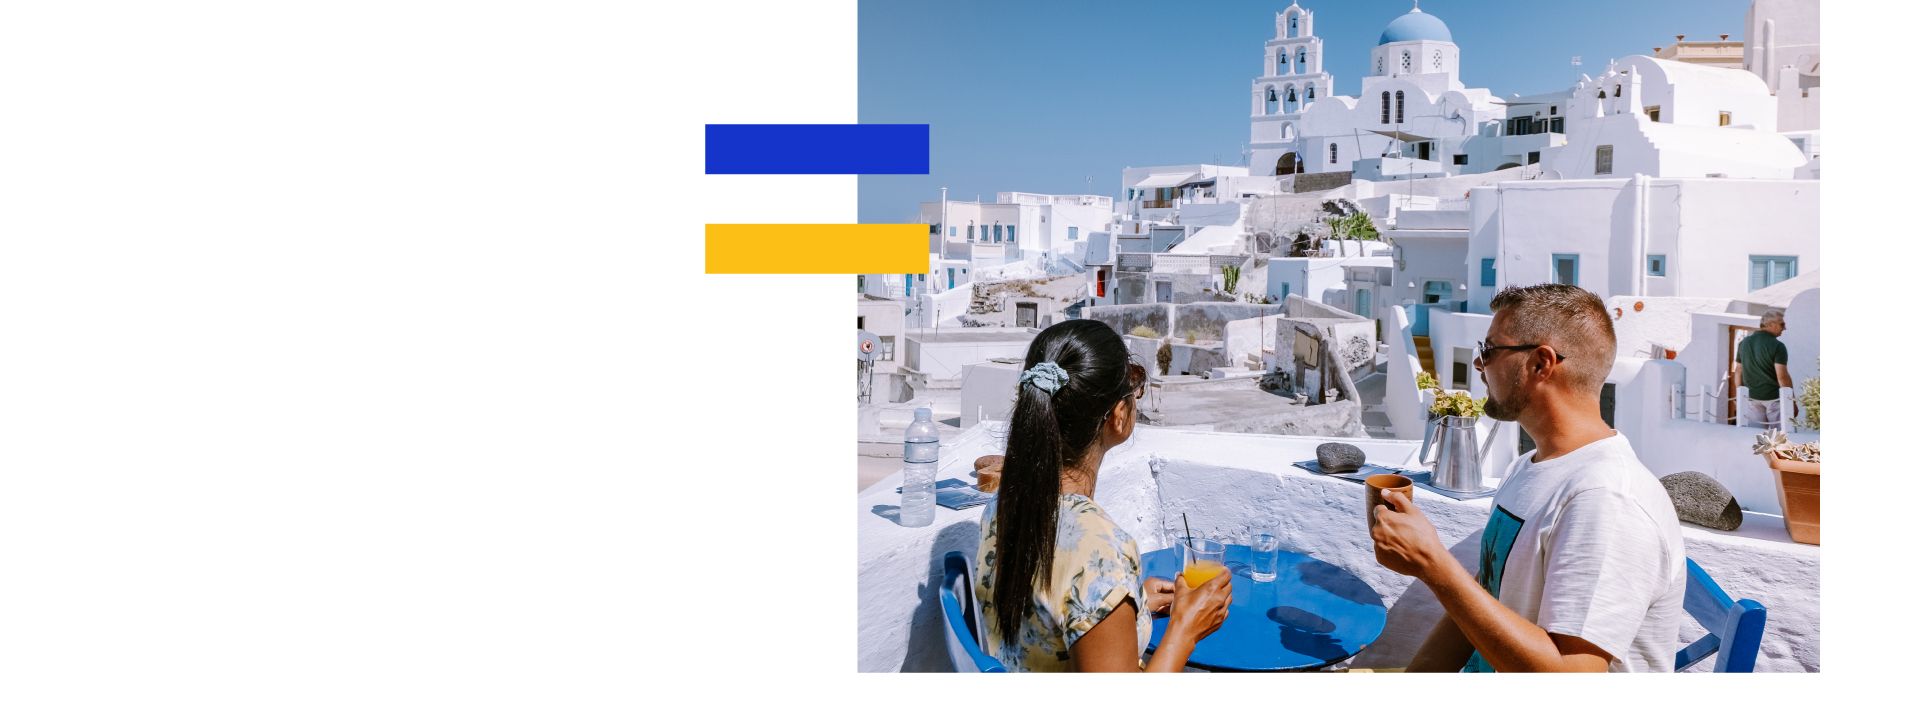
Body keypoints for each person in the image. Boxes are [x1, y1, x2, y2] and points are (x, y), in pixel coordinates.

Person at [1370, 284, 1686, 672]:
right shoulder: (1529, 467)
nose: (1479, 365)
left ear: (1540, 364)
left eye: (1489, 350)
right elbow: (1482, 596)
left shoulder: (1606, 499)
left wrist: (1433, 565)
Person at [975, 320, 1232, 671]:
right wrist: (1186, 630)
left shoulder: (1004, 504)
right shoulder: (1099, 550)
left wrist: (1122, 602)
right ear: (1118, 415)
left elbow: (1051, 602)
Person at [1734, 310, 1793, 429]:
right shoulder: (1778, 346)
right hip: (1775, 399)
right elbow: (1782, 377)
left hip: (1751, 398)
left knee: (1755, 436)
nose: (1784, 328)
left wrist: (1740, 396)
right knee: (1781, 437)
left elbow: (1738, 371)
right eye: (1782, 324)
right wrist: (1792, 402)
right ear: (1770, 324)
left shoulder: (1743, 343)